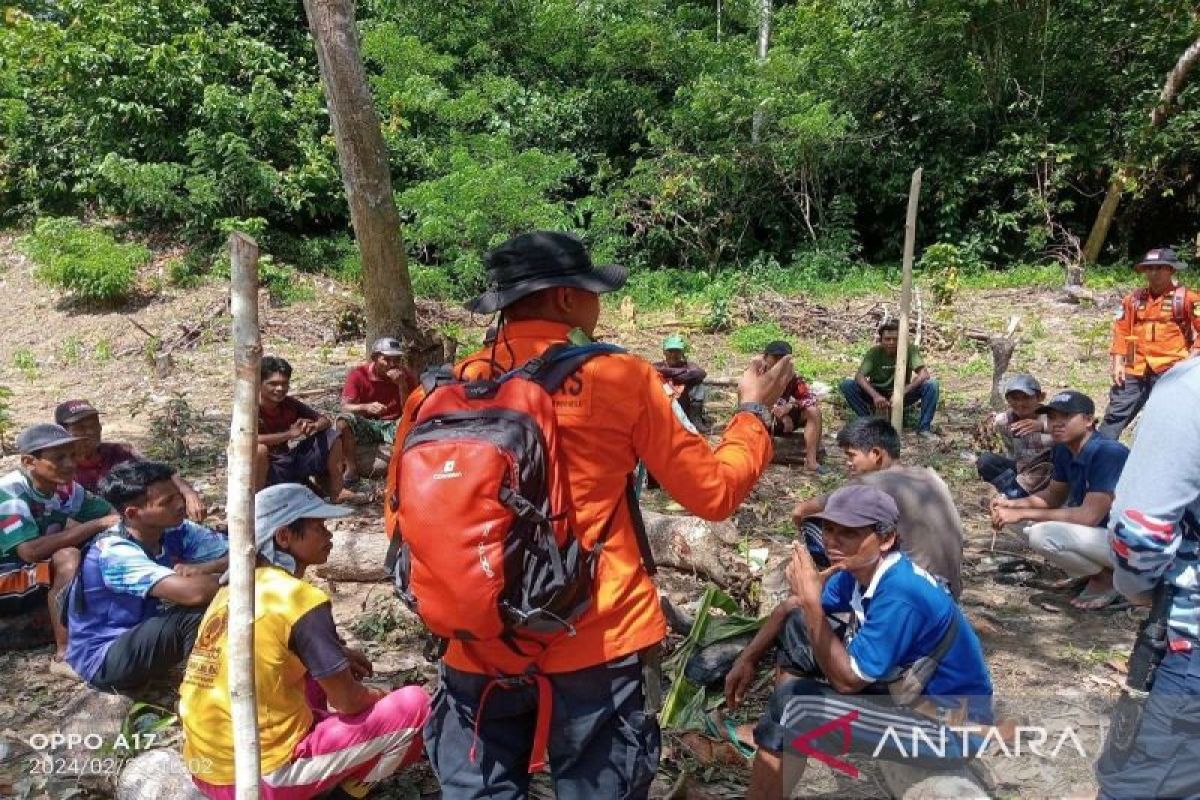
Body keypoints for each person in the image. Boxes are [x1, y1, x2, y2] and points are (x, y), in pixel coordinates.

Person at [387, 230, 793, 798]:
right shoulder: (620, 377)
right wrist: (754, 412)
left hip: (474, 644)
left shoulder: (445, 390)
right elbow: (713, 493)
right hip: (597, 640)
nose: (597, 305)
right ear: (564, 299)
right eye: (592, 291)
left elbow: (400, 521)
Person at [726, 486, 993, 800]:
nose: (832, 541)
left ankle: (779, 748)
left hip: (949, 730)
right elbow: (793, 608)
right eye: (828, 529)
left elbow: (848, 682)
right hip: (907, 697)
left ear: (885, 538)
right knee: (800, 626)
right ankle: (785, 743)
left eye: (849, 533)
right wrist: (747, 658)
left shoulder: (901, 593)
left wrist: (813, 604)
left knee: (792, 704)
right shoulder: (857, 572)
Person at [180, 483, 430, 799]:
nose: (329, 535)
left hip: (207, 770)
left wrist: (335, 653)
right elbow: (348, 701)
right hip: (257, 779)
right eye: (317, 527)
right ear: (284, 537)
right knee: (415, 706)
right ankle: (347, 794)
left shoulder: (231, 592)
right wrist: (380, 697)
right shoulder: (299, 598)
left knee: (315, 671)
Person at [1097, 356, 1200, 797]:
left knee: (1140, 785)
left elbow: (1140, 529)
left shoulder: (1189, 388)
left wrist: (1135, 589)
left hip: (1190, 652)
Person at [64, 461, 227, 691]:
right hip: (104, 657)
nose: (180, 504)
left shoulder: (175, 529)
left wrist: (211, 567)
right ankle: (201, 694)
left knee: (219, 599)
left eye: (177, 495)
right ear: (133, 513)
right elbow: (194, 593)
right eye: (167, 502)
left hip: (139, 635)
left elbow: (238, 553)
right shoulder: (114, 551)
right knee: (198, 612)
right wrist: (228, 576)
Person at [792, 417, 963, 597]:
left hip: (908, 590)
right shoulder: (929, 475)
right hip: (949, 589)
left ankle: (835, 587)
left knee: (815, 525)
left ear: (876, 454)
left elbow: (800, 511)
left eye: (851, 455)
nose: (847, 463)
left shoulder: (869, 484)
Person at [991, 390, 1130, 610]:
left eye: (1065, 417)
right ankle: (1093, 573)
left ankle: (1108, 579)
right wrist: (1012, 504)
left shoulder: (1109, 453)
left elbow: (1087, 517)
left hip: (1130, 543)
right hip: (1099, 537)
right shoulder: (1065, 450)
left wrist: (1023, 512)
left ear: (1088, 421)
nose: (1056, 423)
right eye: (1052, 417)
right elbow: (1053, 496)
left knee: (1042, 535)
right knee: (1015, 520)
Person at [0, 424, 117, 664]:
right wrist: (96, 525)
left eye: (72, 455)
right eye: (59, 458)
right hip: (7, 574)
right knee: (68, 557)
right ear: (29, 462)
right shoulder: (10, 494)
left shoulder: (66, 488)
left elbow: (111, 514)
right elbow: (29, 551)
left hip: (29, 572)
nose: (70, 464)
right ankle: (65, 654)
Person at [1101, 247, 1200, 440]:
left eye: (1159, 268)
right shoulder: (1133, 299)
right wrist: (1118, 362)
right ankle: (1097, 457)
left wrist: (1192, 357)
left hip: (1171, 369)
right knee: (1115, 415)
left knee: (1169, 419)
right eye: (1149, 268)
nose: (1153, 273)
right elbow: (1121, 329)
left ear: (1171, 270)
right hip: (1134, 366)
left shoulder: (1188, 299)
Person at [55, 399, 206, 521]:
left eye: (94, 425)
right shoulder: (58, 467)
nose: (90, 432)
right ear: (63, 432)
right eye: (80, 428)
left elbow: (162, 473)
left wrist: (189, 493)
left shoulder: (119, 452)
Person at [256, 356, 362, 503]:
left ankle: (337, 491)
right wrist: (289, 434)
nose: (279, 389)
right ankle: (258, 502)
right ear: (258, 384)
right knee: (259, 450)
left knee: (331, 436)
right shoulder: (249, 409)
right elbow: (247, 440)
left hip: (287, 462)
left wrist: (313, 426)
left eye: (284, 384)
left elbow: (324, 420)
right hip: (266, 468)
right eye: (273, 384)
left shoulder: (289, 404)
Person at [839, 320, 939, 438]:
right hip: (878, 393)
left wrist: (902, 392)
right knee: (847, 385)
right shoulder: (874, 353)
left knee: (932, 385)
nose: (891, 342)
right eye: (887, 339)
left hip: (902, 394)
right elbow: (859, 376)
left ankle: (924, 428)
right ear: (881, 340)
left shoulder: (909, 350)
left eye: (895, 339)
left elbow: (924, 374)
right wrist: (875, 396)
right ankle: (869, 423)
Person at [338, 337, 417, 480]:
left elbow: (410, 410)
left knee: (411, 427)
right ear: (374, 358)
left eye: (397, 360)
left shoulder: (406, 376)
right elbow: (345, 407)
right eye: (386, 359)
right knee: (343, 421)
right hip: (367, 422)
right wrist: (366, 407)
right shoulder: (358, 375)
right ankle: (351, 469)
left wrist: (402, 386)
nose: (392, 364)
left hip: (393, 423)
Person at [975, 374, 1054, 499]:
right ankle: (1014, 491)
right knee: (985, 461)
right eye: (1014, 399)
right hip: (1022, 469)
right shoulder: (1004, 421)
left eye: (1026, 398)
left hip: (1048, 471)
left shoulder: (1052, 417)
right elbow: (1012, 452)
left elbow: (1074, 431)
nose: (1020, 403)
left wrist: (1042, 427)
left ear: (1040, 397)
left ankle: (1016, 495)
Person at [762, 340, 824, 473]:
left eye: (783, 359)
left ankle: (811, 461)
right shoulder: (758, 375)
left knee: (813, 411)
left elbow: (810, 398)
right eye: (775, 358)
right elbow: (755, 402)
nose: (779, 363)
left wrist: (791, 406)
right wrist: (782, 415)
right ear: (765, 357)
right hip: (763, 419)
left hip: (782, 416)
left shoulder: (791, 377)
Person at [653, 334, 710, 433]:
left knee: (698, 384)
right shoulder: (657, 366)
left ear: (682, 353)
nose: (674, 355)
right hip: (664, 404)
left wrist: (674, 375)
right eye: (670, 351)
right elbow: (650, 371)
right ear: (664, 352)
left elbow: (701, 373)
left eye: (677, 351)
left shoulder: (689, 365)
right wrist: (678, 374)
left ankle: (695, 419)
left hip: (684, 403)